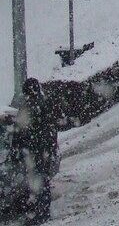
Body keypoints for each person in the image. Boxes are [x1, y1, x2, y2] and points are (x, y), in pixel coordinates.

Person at [11, 79, 59, 224]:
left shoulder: (29, 107)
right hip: (42, 151)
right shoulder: (45, 104)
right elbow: (51, 130)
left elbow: (20, 131)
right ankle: (42, 211)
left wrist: (17, 149)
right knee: (42, 181)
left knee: (37, 181)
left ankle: (39, 213)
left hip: (33, 152)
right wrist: (50, 149)